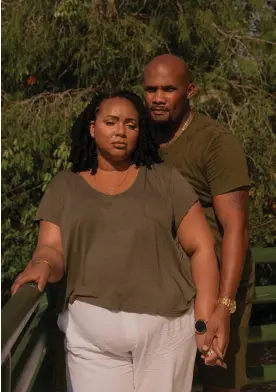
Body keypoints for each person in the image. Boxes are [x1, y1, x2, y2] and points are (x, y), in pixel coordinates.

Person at [12, 90, 224, 392]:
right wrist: (42, 265)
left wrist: (204, 321)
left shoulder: (164, 179)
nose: (121, 132)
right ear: (92, 127)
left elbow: (202, 246)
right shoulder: (65, 185)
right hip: (91, 338)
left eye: (131, 125)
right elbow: (51, 248)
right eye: (111, 122)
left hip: (167, 335)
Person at [143, 54, 255, 392]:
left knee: (217, 381)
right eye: (150, 89)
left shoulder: (216, 144)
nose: (158, 98)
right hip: (164, 288)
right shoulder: (140, 137)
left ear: (190, 90)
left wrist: (224, 305)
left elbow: (236, 228)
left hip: (217, 284)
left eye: (168, 89)